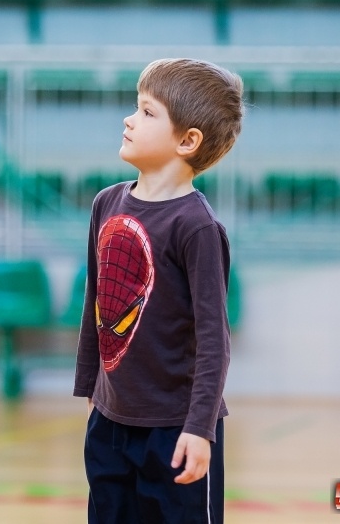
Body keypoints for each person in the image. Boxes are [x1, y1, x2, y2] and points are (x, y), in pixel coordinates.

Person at [73, 58, 244, 523]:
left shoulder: (198, 228)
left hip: (175, 432)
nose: (130, 119)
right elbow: (97, 305)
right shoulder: (105, 204)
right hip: (109, 425)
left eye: (148, 112)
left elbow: (215, 342)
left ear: (187, 141)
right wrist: (91, 391)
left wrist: (199, 428)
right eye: (136, 107)